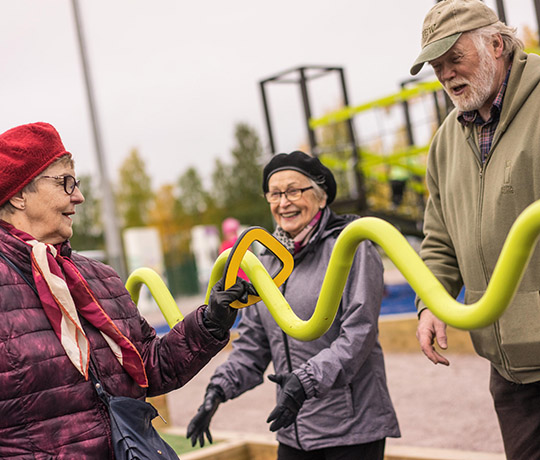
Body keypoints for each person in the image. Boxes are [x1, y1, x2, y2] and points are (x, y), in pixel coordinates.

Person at [0, 121, 251, 458]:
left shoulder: (98, 278)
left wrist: (211, 322)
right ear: (18, 195)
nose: (79, 195)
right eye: (65, 182)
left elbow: (151, 368)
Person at [187, 150, 400, 459]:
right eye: (274, 194)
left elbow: (359, 335)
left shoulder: (352, 248)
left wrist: (305, 381)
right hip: (293, 428)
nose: (283, 202)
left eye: (294, 190)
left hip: (351, 428)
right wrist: (216, 391)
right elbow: (253, 346)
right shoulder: (268, 263)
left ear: (322, 197)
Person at [410, 1, 540, 458]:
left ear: (497, 45)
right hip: (508, 367)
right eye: (436, 66)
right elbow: (440, 237)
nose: (446, 75)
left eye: (454, 59)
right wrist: (432, 301)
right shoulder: (446, 140)